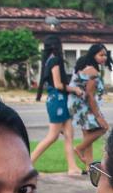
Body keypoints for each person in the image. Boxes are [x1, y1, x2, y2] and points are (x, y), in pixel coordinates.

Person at [28, 34, 82, 177]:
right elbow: (58, 84)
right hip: (58, 100)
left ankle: (72, 167)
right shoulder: (55, 60)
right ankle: (27, 164)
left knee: (69, 135)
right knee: (52, 136)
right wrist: (75, 89)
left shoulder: (49, 60)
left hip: (58, 100)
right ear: (57, 46)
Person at [69, 44, 111, 167]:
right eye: (101, 55)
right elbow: (90, 95)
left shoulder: (87, 68)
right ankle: (79, 148)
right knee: (103, 127)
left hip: (78, 104)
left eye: (105, 55)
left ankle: (89, 167)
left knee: (88, 135)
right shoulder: (92, 71)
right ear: (93, 55)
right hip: (84, 105)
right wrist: (98, 116)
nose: (104, 57)